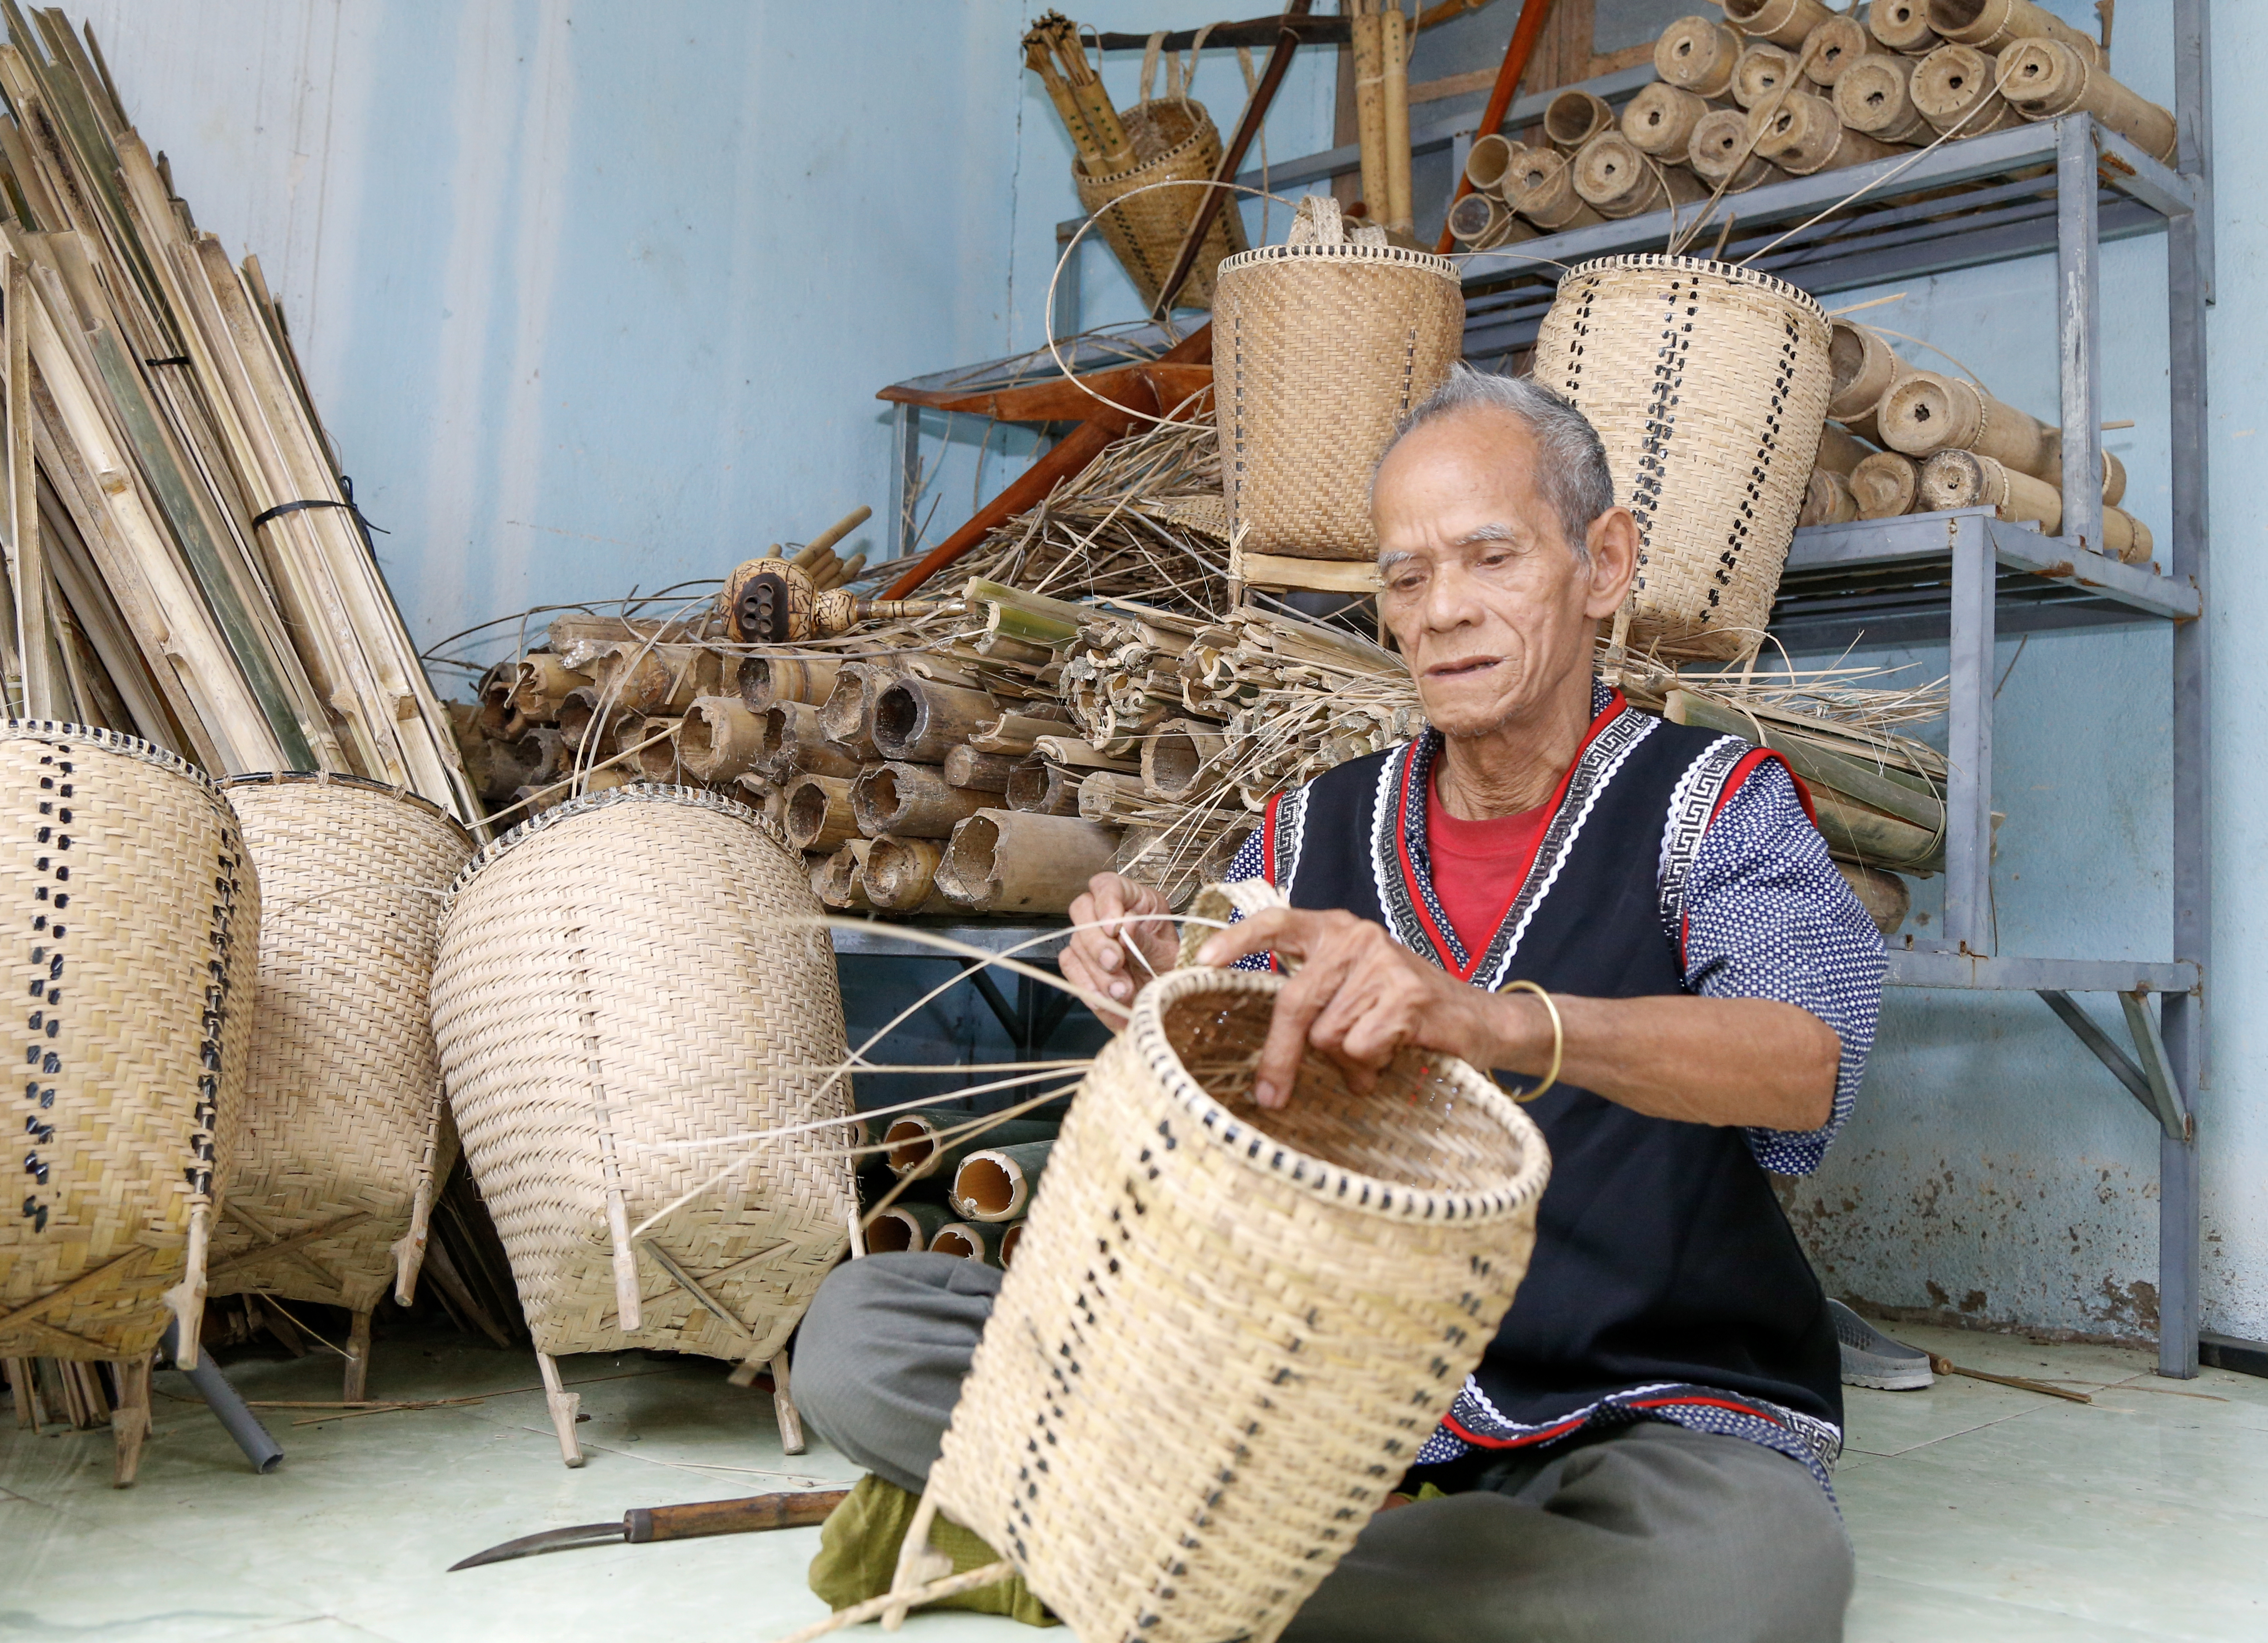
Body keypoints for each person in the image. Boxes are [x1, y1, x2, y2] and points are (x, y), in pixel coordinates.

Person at [793, 366, 1885, 1642]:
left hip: (1623, 1400)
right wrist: (1154, 993)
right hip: (1307, 1383)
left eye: (1489, 557)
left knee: (1748, 1579)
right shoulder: (1315, 827)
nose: (1442, 613)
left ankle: (1152, 1560)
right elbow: (1240, 1076)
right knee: (861, 1333)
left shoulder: (1710, 806)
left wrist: (1493, 1019)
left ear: (1601, 563)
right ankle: (1308, 1568)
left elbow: (1801, 1058)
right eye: (1404, 577)